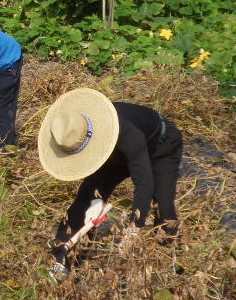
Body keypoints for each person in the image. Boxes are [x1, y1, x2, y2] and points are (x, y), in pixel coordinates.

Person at [38, 88, 183, 283]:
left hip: (160, 146)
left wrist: (134, 227)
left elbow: (144, 185)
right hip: (114, 153)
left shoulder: (127, 133)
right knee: (85, 201)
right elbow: (90, 193)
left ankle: (166, 269)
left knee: (163, 205)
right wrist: (94, 202)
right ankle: (63, 260)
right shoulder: (75, 130)